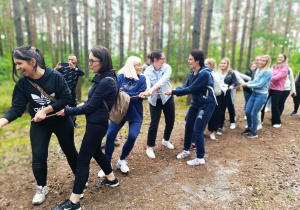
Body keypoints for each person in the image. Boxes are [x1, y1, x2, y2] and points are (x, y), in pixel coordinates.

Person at [0, 45, 78, 205]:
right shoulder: (23, 83)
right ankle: (41, 187)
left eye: (20, 63)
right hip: (39, 125)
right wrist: (2, 121)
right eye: (16, 64)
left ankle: (79, 183)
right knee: (38, 157)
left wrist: (46, 110)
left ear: (32, 61)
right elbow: (17, 107)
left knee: (70, 151)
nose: (18, 67)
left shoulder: (55, 76)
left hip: (61, 120)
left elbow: (66, 98)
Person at [52, 46, 119, 210]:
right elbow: (93, 103)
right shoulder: (103, 78)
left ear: (102, 62)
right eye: (89, 60)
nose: (89, 64)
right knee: (96, 152)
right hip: (96, 123)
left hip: (97, 125)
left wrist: (67, 111)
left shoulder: (106, 81)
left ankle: (74, 202)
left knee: (82, 160)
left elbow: (90, 107)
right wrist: (80, 105)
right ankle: (112, 179)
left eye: (92, 61)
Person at [97, 56, 146, 177]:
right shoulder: (120, 77)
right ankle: (106, 165)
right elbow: (117, 94)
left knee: (132, 136)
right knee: (110, 135)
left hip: (135, 113)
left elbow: (140, 96)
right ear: (131, 66)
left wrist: (127, 95)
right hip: (119, 112)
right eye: (138, 65)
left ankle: (122, 160)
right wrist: (134, 95)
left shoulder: (142, 78)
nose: (141, 67)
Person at [165, 50, 216, 165]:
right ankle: (186, 150)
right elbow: (186, 86)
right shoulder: (193, 71)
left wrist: (173, 92)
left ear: (197, 61)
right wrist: (174, 89)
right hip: (196, 103)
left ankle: (200, 158)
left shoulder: (204, 74)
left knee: (197, 129)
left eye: (190, 59)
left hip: (206, 104)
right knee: (188, 125)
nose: (188, 61)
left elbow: (191, 89)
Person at [140, 50, 175, 159]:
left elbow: (163, 81)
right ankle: (149, 147)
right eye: (162, 58)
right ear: (155, 60)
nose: (164, 60)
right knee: (154, 123)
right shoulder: (147, 71)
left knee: (170, 120)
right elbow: (147, 83)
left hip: (167, 97)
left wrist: (152, 89)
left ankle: (166, 140)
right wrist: (147, 90)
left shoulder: (167, 68)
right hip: (154, 100)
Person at [241, 55, 272, 138]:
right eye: (260, 60)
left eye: (263, 61)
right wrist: (248, 83)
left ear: (267, 62)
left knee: (254, 113)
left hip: (261, 95)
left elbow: (259, 84)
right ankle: (249, 127)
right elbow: (254, 81)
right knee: (247, 111)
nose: (261, 62)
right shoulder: (258, 70)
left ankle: (254, 132)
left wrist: (247, 85)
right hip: (254, 94)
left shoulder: (267, 72)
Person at [54, 54, 84, 127]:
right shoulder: (63, 68)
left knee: (73, 107)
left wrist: (74, 68)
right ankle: (63, 123)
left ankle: (73, 123)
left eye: (72, 60)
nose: (70, 61)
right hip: (63, 91)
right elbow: (52, 73)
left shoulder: (77, 68)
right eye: (69, 59)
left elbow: (82, 73)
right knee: (63, 106)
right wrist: (56, 68)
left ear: (75, 61)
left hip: (72, 91)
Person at [216, 58, 237, 135]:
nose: (222, 64)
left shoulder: (231, 72)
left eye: (224, 63)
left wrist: (232, 86)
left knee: (227, 108)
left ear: (227, 64)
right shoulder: (216, 72)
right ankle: (217, 125)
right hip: (218, 93)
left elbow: (234, 82)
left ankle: (229, 123)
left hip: (227, 93)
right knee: (218, 110)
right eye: (221, 63)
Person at [268, 53, 289, 128]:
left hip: (278, 89)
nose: (279, 58)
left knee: (274, 105)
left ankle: (277, 121)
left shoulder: (285, 67)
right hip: (270, 87)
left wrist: (268, 79)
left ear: (284, 58)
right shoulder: (274, 66)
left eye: (281, 57)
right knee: (264, 104)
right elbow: (270, 73)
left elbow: (277, 77)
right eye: (278, 57)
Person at [205, 58, 224, 140]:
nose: (205, 65)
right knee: (205, 113)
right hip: (206, 96)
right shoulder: (203, 73)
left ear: (211, 65)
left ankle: (212, 131)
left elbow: (221, 85)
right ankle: (202, 129)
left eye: (207, 64)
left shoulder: (218, 75)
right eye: (205, 64)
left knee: (215, 114)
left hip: (216, 96)